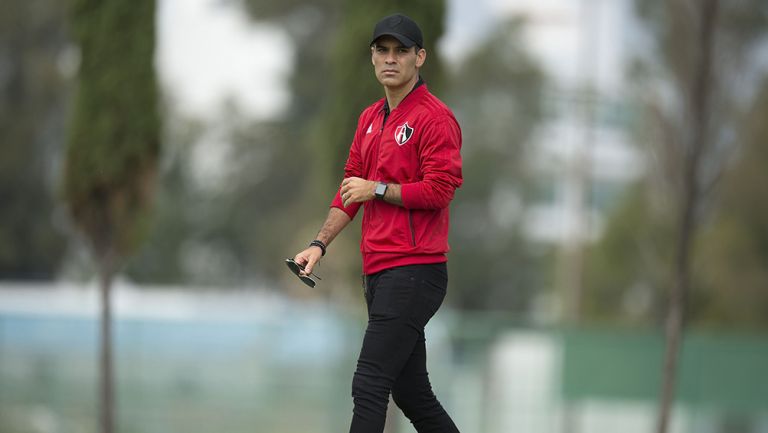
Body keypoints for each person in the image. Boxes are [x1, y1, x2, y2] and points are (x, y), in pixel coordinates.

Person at [292, 13, 462, 433]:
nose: (391, 59)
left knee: (369, 383)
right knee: (412, 393)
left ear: (419, 57)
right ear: (372, 58)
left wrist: (380, 189)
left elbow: (440, 190)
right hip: (381, 273)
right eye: (382, 50)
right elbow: (349, 190)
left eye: (401, 51)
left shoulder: (435, 118)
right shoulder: (369, 118)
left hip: (415, 271)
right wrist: (319, 244)